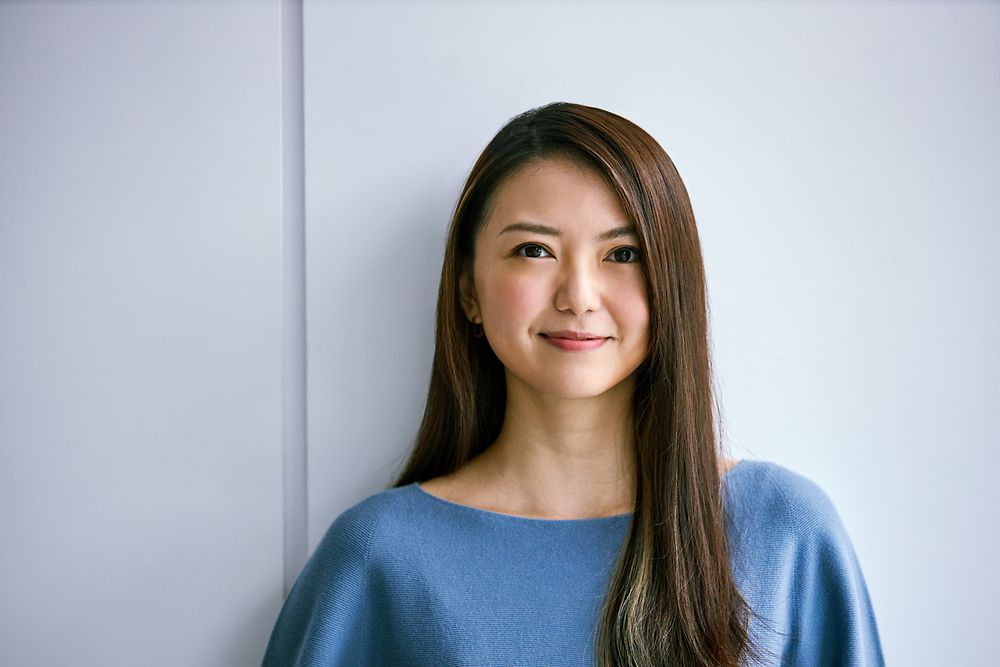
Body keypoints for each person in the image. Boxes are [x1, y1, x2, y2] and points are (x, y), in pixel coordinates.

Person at [262, 102, 885, 666]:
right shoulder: (377, 555)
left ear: (672, 286)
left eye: (623, 254)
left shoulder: (785, 531)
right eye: (534, 250)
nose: (578, 297)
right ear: (468, 290)